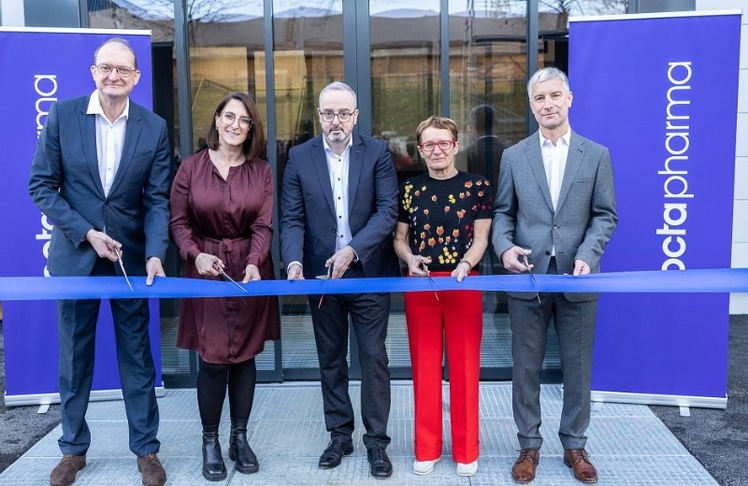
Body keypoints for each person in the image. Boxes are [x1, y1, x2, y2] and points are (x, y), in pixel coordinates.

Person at [28, 38, 170, 486]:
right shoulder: (63, 116)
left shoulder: (154, 127)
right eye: (106, 68)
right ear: (93, 72)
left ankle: (146, 450)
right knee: (74, 356)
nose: (114, 76)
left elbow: (158, 199)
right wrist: (86, 232)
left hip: (128, 261)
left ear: (136, 77)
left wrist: (154, 252)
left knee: (137, 357)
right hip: (76, 256)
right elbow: (41, 186)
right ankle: (73, 450)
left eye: (123, 70)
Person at [492, 67, 617, 484]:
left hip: (578, 279)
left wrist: (587, 254)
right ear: (531, 105)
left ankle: (574, 445)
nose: (547, 104)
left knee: (577, 367)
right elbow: (502, 214)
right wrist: (505, 248)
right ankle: (528, 445)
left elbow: (605, 215)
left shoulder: (596, 154)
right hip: (528, 279)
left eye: (554, 96)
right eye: (539, 98)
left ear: (569, 98)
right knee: (525, 367)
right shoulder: (514, 156)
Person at [279, 81, 400, 479]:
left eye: (343, 113)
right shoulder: (298, 157)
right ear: (318, 116)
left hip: (368, 273)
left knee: (373, 359)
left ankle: (377, 443)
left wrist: (352, 251)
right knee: (330, 359)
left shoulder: (378, 152)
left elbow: (387, 212)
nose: (336, 121)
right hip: (320, 276)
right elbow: (292, 218)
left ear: (356, 116)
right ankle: (339, 435)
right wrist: (293, 263)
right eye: (328, 113)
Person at [169, 92, 280, 481]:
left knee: (246, 357)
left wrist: (254, 262)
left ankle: (239, 437)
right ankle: (210, 440)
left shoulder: (261, 170)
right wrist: (194, 254)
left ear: (252, 129)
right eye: (229, 116)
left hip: (250, 269)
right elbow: (178, 223)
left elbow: (263, 225)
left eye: (244, 120)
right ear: (216, 120)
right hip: (205, 269)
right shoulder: (190, 167)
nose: (235, 125)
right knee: (214, 359)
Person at [393, 116, 492, 477]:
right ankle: (427, 447)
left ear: (456, 144)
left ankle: (466, 449)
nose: (436, 150)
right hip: (421, 284)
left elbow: (482, 238)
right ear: (420, 150)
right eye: (429, 145)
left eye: (443, 143)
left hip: (464, 281)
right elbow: (400, 238)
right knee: (425, 367)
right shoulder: (410, 188)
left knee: (466, 366)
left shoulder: (477, 186)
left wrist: (465, 265)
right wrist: (409, 258)